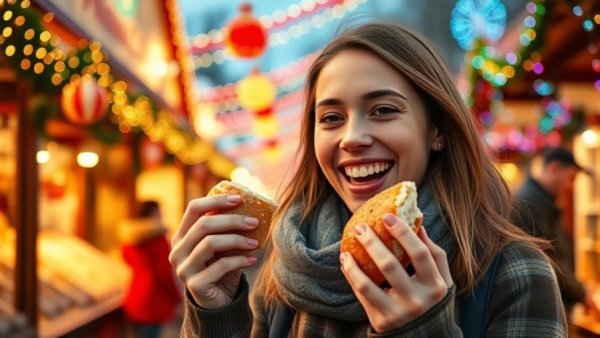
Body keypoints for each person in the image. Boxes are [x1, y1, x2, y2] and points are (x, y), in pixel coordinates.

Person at [169, 22, 567, 337]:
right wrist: (216, 316)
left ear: (437, 130)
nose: (353, 137)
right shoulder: (287, 271)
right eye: (330, 118)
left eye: (383, 110)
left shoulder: (514, 273)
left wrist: (423, 332)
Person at [512, 147, 598, 319]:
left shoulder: (541, 200)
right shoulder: (530, 203)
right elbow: (547, 260)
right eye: (571, 178)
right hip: (541, 308)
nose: (570, 186)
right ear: (554, 169)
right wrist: (581, 293)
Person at [119, 200, 182, 338]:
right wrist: (177, 299)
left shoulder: (130, 237)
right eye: (159, 212)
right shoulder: (158, 239)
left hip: (134, 297)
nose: (162, 216)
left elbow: (126, 260)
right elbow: (164, 274)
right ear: (153, 214)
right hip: (153, 301)